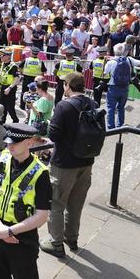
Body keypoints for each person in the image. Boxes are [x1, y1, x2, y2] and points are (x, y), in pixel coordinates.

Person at [0, 123, 51, 279]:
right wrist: (0, 228)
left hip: (23, 239)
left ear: (30, 142)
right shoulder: (1, 158)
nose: (9, 145)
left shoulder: (40, 173)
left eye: (15, 142)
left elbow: (42, 215)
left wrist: (10, 231)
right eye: (8, 141)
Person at [41, 72, 96, 257]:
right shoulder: (92, 103)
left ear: (68, 85)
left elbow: (54, 135)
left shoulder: (64, 106)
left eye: (64, 83)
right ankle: (71, 238)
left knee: (56, 204)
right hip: (86, 162)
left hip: (64, 165)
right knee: (76, 204)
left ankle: (56, 243)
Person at [103, 43, 134, 129]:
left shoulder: (111, 62)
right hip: (125, 87)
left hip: (113, 87)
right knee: (121, 107)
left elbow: (105, 73)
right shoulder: (128, 61)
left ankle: (111, 126)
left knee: (111, 108)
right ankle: (120, 125)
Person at [0, 49, 21, 123]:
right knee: (2, 106)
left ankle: (15, 120)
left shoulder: (13, 66)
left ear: (8, 56)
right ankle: (2, 120)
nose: (1, 56)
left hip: (10, 89)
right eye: (1, 55)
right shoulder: (2, 64)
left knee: (10, 107)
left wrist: (9, 88)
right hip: (3, 87)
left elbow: (17, 79)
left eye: (3, 55)